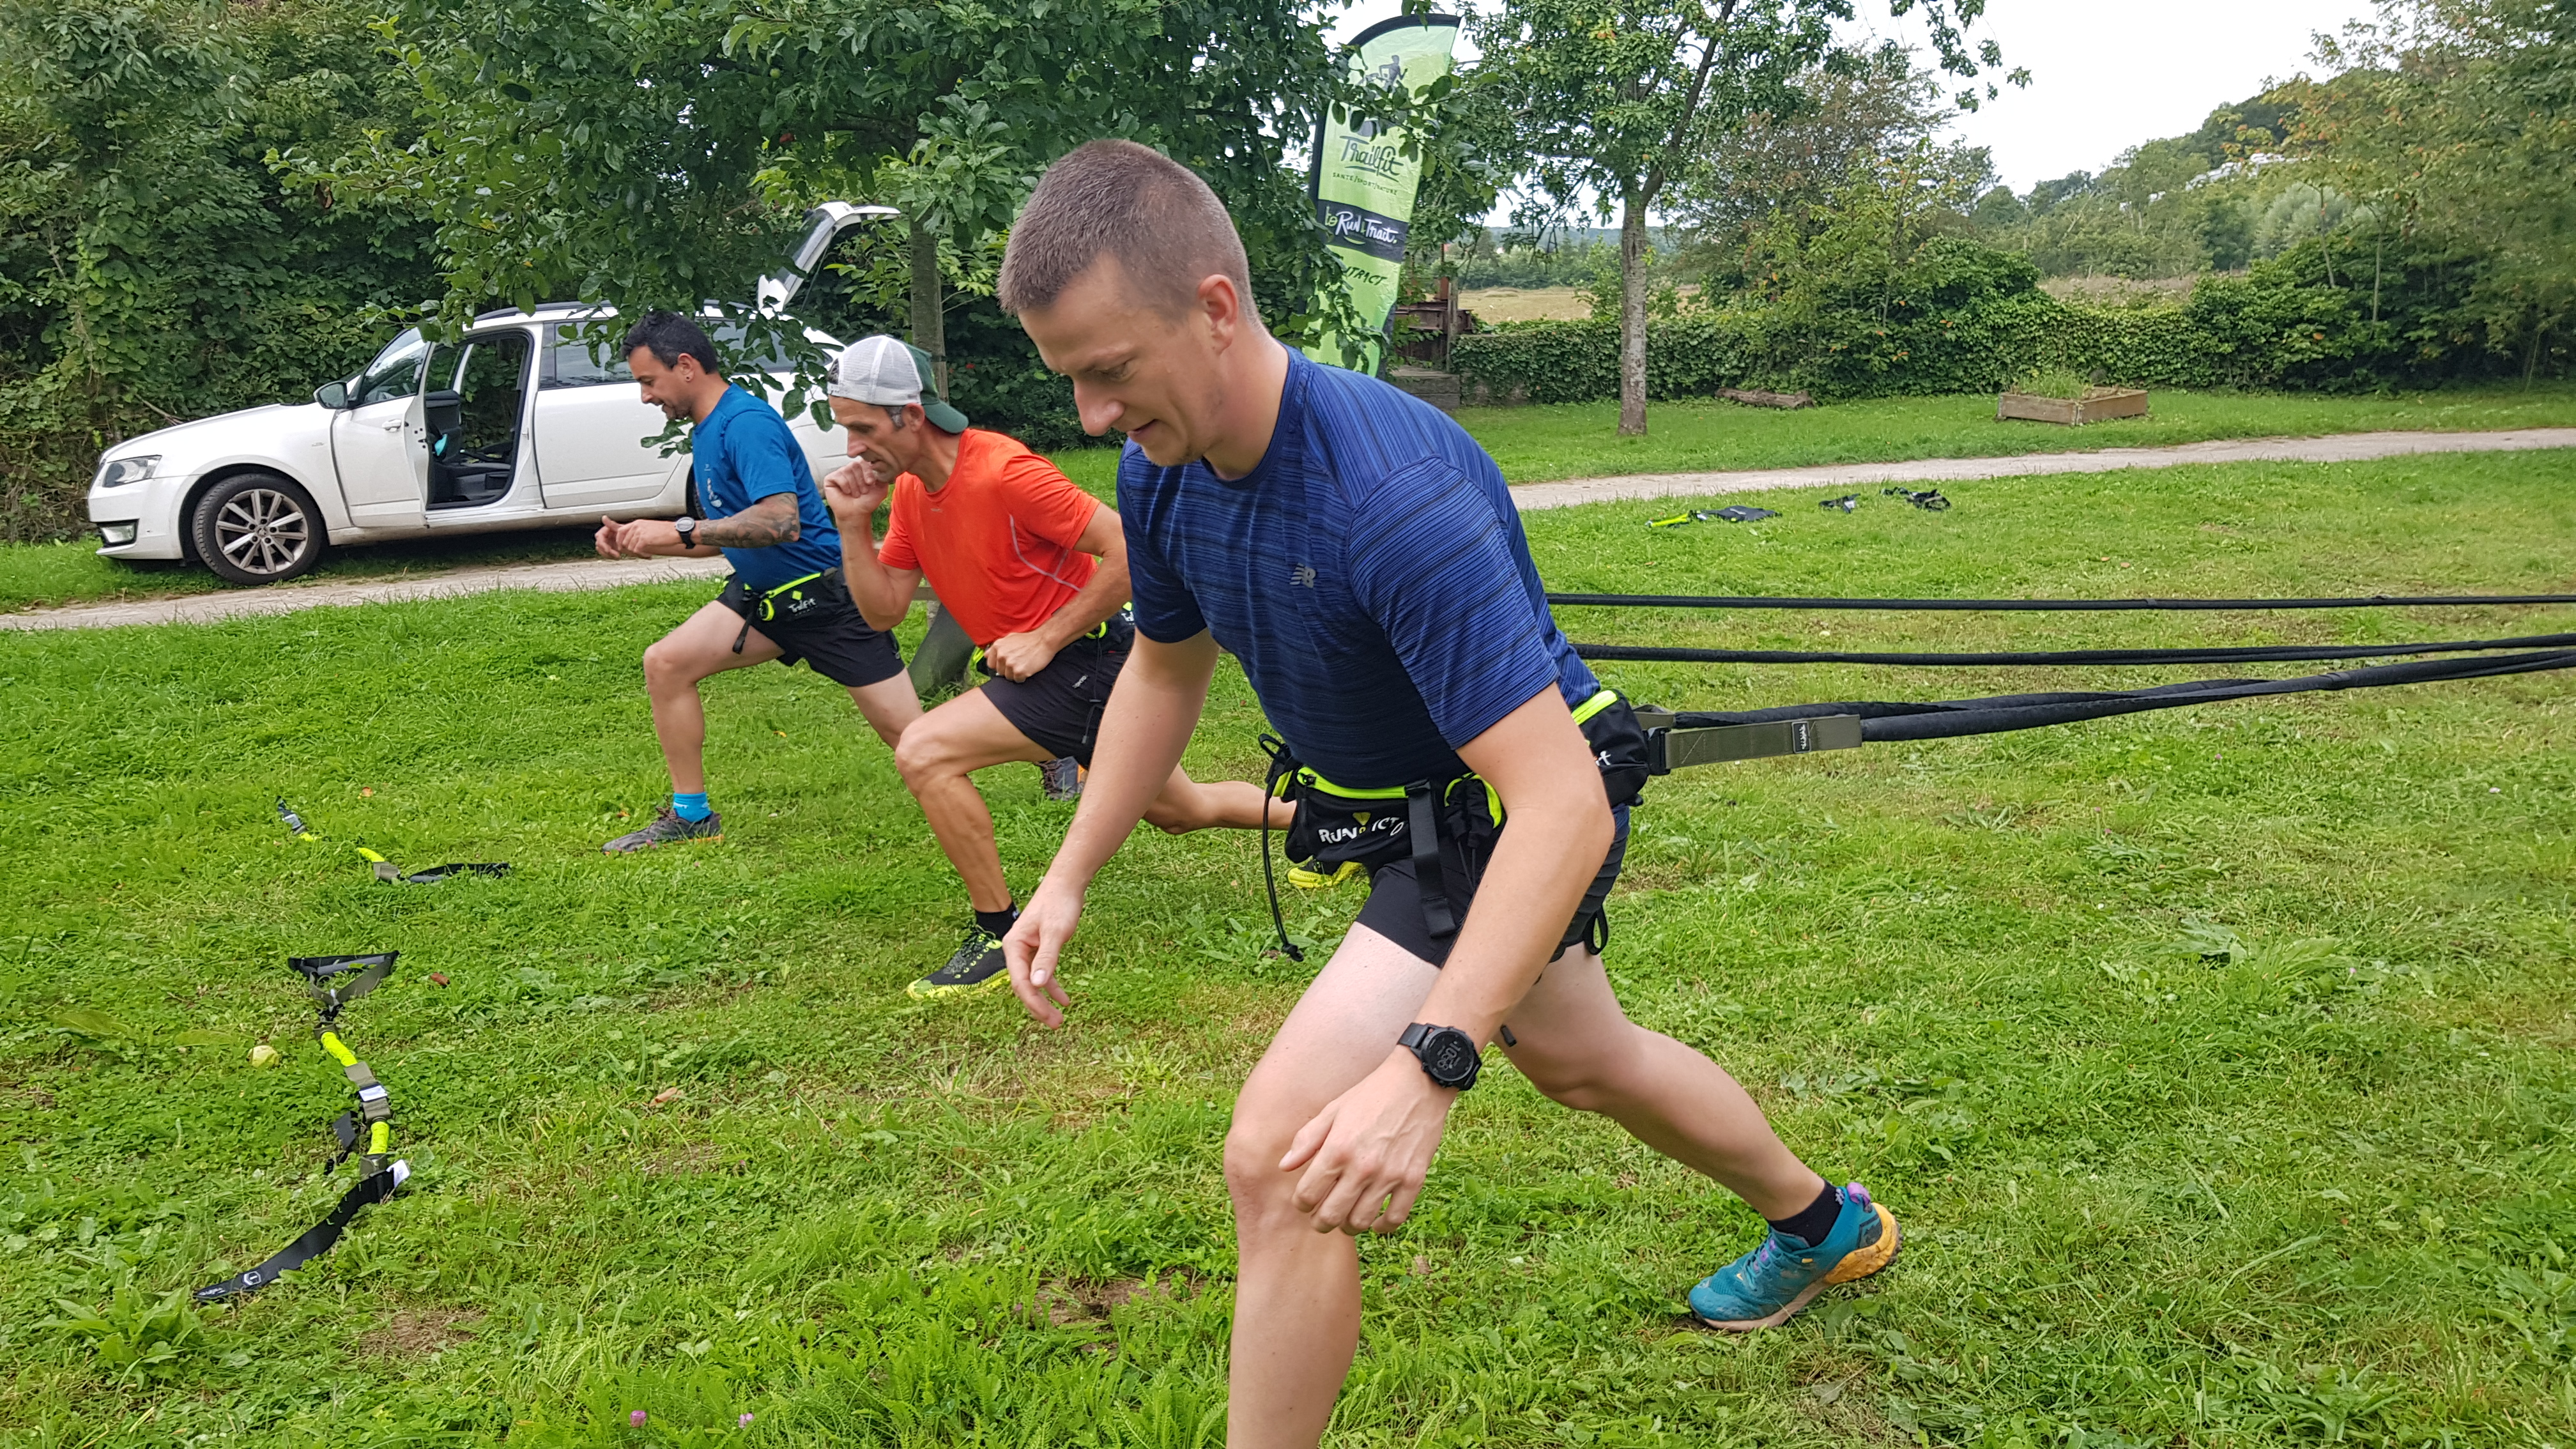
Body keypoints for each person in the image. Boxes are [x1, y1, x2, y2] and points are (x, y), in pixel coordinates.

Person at [993, 141, 1901, 1446]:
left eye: (1110, 369)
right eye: (1069, 377)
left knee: (1279, 1158)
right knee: (1584, 1061)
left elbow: (1560, 806)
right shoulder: (1164, 464)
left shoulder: (1390, 494)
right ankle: (1824, 1224)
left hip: (1511, 814)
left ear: (1214, 307)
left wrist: (1429, 1065)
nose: (1089, 415)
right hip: (1420, 814)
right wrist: (1069, 873)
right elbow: (1162, 669)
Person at [817, 334, 1288, 999]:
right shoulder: (914, 494)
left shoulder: (1004, 471)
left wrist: (1044, 636)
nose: (853, 448)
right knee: (1183, 809)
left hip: (1089, 660)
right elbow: (883, 611)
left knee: (925, 750)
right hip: (1061, 676)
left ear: (911, 416)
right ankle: (1329, 818)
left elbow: (1131, 549)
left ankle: (996, 930)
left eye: (863, 429)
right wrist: (852, 524)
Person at [594, 311, 919, 852]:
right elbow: (731, 533)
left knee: (917, 742)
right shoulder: (708, 429)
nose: (646, 397)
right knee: (666, 663)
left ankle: (1045, 745)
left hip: (826, 602)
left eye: (649, 381)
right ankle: (692, 816)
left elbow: (780, 522)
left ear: (686, 366)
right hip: (764, 602)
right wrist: (640, 539)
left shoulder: (745, 423)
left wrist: (678, 528)